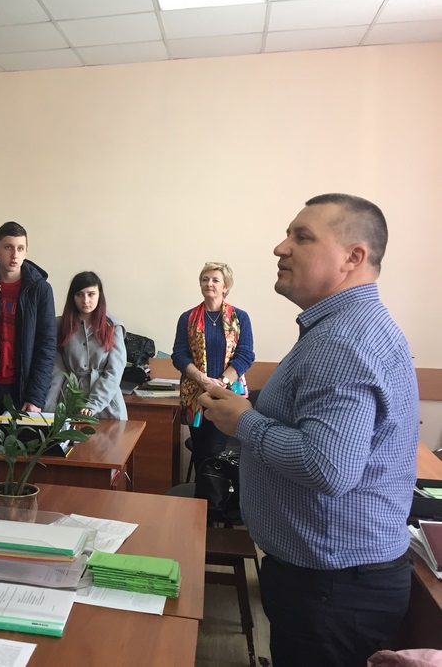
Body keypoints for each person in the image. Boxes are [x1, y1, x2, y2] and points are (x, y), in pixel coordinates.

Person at [198, 194, 418, 667]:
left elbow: (327, 466)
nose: (281, 248)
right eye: (287, 235)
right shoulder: (343, 328)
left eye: (302, 237)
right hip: (330, 582)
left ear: (353, 257)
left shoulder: (344, 340)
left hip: (332, 589)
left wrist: (244, 421)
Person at [0, 222, 56, 484]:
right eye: (8, 247)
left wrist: (36, 395)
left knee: (17, 464)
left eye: (20, 248)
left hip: (20, 389)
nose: (14, 254)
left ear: (26, 251)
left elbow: (46, 346)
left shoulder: (40, 289)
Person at [172, 261, 254, 470]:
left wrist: (221, 382)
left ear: (225, 286)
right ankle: (202, 491)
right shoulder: (187, 318)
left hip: (227, 394)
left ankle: (211, 492)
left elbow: (246, 355)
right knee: (200, 451)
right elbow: (179, 355)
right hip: (195, 395)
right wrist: (202, 379)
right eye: (205, 279)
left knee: (214, 452)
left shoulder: (240, 317)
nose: (209, 284)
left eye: (215, 280)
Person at [44, 271, 127, 419]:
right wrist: (48, 410)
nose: (85, 300)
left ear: (100, 295)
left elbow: (114, 372)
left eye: (91, 294)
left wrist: (93, 404)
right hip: (70, 401)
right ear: (72, 297)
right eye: (79, 295)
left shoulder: (113, 327)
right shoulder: (59, 325)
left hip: (107, 406)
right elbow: (56, 371)